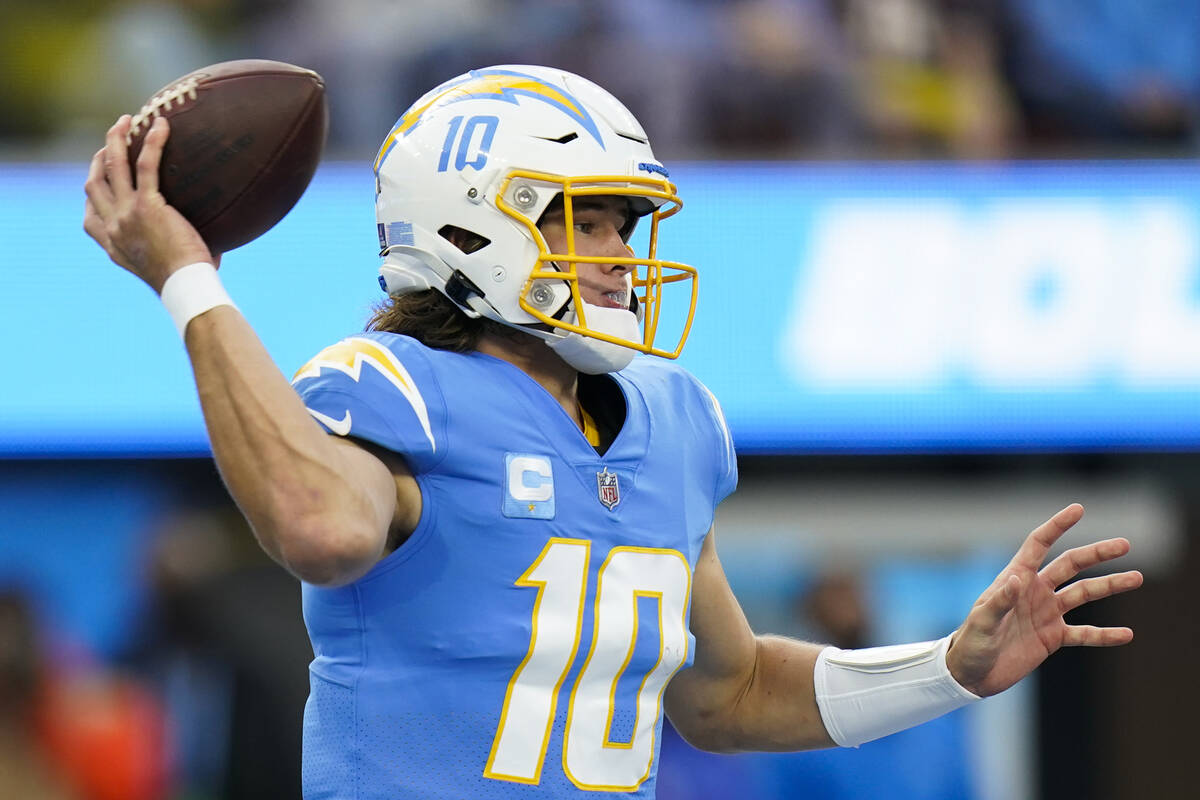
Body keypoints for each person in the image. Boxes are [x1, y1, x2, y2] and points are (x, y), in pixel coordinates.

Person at [83, 64, 1143, 799]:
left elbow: (728, 691)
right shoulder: (392, 387)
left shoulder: (672, 420)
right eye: (586, 217)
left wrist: (946, 667)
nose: (617, 253)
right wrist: (187, 276)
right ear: (471, 216)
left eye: (623, 223)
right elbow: (323, 528)